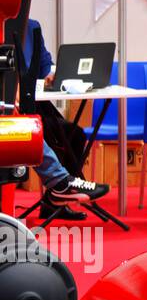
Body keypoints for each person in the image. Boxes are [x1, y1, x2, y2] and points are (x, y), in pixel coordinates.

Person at [4, 16, 109, 221]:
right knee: (30, 131)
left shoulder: (32, 26)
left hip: (34, 104)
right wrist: (10, 88)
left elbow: (45, 66)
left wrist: (53, 75)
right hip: (10, 109)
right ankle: (61, 183)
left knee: (73, 135)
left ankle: (54, 203)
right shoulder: (3, 27)